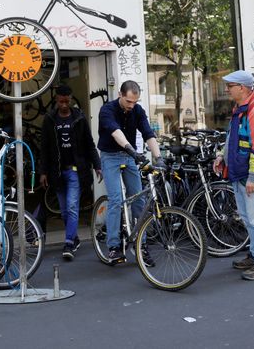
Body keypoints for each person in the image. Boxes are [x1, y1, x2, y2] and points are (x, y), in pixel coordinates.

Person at [213, 70, 254, 281]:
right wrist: (222, 156)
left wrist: (253, 177)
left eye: (230, 86)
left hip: (249, 175)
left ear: (242, 88)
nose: (227, 90)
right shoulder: (240, 110)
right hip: (239, 172)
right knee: (249, 218)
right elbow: (232, 139)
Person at [97, 80, 164, 265]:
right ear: (120, 94)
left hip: (129, 157)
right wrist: (132, 150)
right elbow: (116, 133)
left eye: (135, 102)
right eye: (128, 101)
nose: (131, 105)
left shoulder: (138, 110)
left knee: (138, 199)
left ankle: (140, 246)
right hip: (110, 156)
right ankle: (113, 247)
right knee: (116, 199)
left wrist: (159, 158)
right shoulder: (107, 110)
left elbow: (148, 133)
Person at [39, 84, 102, 261]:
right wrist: (43, 172)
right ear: (56, 100)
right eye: (61, 102)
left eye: (67, 101)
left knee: (72, 207)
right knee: (65, 211)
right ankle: (74, 237)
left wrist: (97, 165)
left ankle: (68, 243)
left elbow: (89, 144)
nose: (64, 105)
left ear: (71, 99)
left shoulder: (80, 118)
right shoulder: (49, 119)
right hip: (56, 172)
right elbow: (44, 147)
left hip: (75, 171)